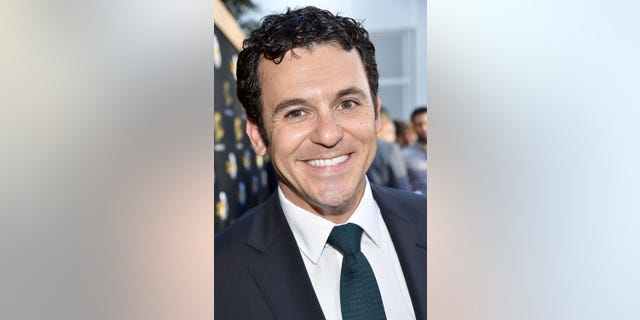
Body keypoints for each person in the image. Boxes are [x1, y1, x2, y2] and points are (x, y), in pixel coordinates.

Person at [215, 6, 426, 320]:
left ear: (376, 113)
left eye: (347, 103)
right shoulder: (215, 279)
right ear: (258, 135)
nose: (328, 135)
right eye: (296, 112)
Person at [367, 107, 412, 190]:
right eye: (390, 132)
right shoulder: (391, 149)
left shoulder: (359, 147)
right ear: (383, 126)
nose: (395, 137)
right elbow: (402, 185)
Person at [402, 107, 428, 195]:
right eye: (419, 125)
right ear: (413, 127)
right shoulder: (405, 154)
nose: (424, 128)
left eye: (427, 123)